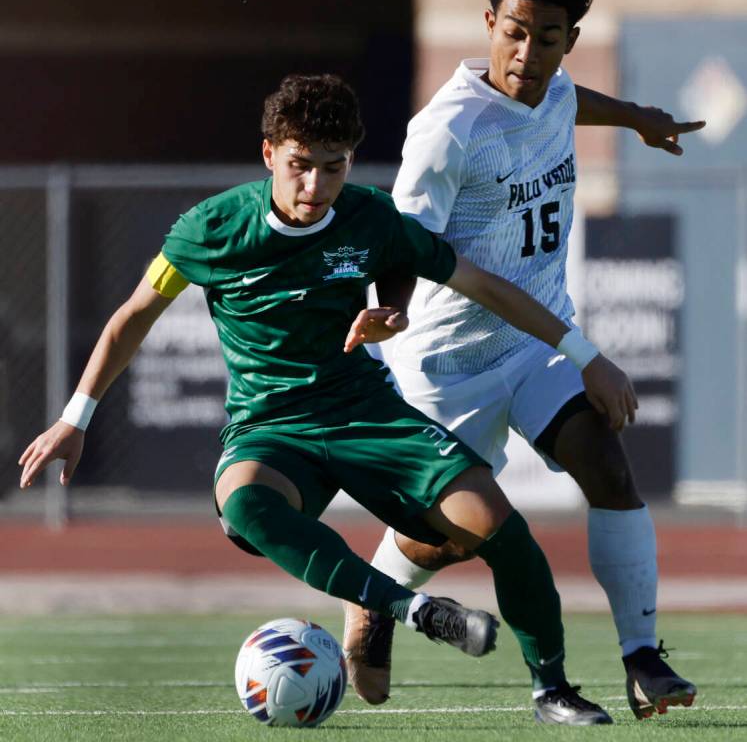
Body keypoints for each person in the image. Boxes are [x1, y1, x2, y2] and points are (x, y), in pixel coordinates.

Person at [19, 73, 637, 724]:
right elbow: (131, 318)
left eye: (331, 167)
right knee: (245, 504)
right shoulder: (211, 229)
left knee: (500, 531)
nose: (314, 186)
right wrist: (75, 417)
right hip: (271, 428)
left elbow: (482, 285)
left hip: (368, 415)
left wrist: (584, 356)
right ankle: (406, 607)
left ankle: (551, 690)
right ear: (268, 156)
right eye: (299, 167)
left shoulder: (368, 216)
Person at [343, 0, 702, 721]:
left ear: (568, 39)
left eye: (546, 37)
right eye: (513, 33)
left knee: (605, 465)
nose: (526, 53)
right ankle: (372, 602)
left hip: (533, 341)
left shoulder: (555, 88)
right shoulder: (447, 129)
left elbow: (571, 101)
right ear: (488, 24)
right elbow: (407, 241)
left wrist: (638, 118)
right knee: (448, 540)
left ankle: (641, 659)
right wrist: (392, 305)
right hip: (445, 362)